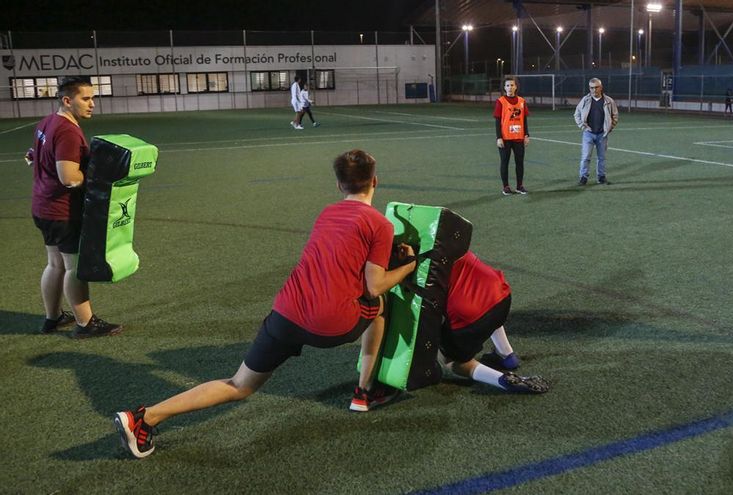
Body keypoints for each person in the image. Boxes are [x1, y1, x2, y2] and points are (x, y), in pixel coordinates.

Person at [114, 150, 418, 458]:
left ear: (339, 186)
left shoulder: (327, 213)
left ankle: (144, 417)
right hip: (331, 325)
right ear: (375, 181)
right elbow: (374, 285)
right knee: (381, 305)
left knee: (239, 384)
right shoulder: (380, 224)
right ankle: (364, 391)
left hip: (286, 313)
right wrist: (408, 266)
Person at [28, 76, 122, 338]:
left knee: (54, 264)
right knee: (73, 267)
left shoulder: (48, 121)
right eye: (86, 98)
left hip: (43, 207)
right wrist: (95, 177)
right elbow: (69, 178)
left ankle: (53, 318)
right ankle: (85, 323)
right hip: (61, 211)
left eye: (93, 98)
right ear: (67, 100)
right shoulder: (68, 130)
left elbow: (30, 155)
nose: (92, 104)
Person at [440, 251, 548, 393]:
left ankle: (501, 380)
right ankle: (506, 354)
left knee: (450, 361)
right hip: (500, 294)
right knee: (480, 296)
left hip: (471, 314)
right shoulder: (446, 232)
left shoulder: (409, 257)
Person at [574, 78, 618, 186]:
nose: (594, 90)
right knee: (585, 157)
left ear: (601, 87)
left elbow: (615, 116)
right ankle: (583, 178)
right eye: (592, 88)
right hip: (588, 134)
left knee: (601, 158)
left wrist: (609, 127)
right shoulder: (585, 100)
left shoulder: (609, 101)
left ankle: (601, 178)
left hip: (602, 135)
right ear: (589, 88)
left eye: (596, 87)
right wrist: (582, 127)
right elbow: (577, 114)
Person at [494, 77, 530, 195]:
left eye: (512, 85)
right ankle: (506, 187)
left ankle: (520, 186)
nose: (510, 87)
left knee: (520, 162)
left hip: (519, 137)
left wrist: (526, 135)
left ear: (516, 87)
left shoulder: (522, 101)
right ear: (504, 88)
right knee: (505, 162)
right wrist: (498, 137)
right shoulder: (501, 101)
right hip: (505, 138)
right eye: (507, 85)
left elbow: (524, 120)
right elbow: (498, 121)